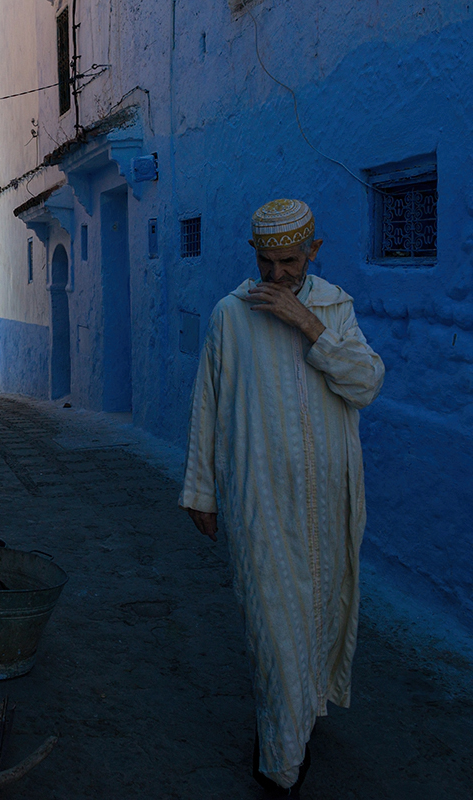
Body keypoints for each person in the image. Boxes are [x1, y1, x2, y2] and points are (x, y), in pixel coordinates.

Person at [179, 199, 385, 796]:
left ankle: (298, 721)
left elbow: (365, 384)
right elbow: (208, 406)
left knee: (321, 610)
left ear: (313, 252)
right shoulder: (230, 315)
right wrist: (202, 491)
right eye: (266, 263)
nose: (276, 276)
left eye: (289, 261)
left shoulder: (334, 307)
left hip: (329, 496)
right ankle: (280, 760)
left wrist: (309, 324)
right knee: (271, 622)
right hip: (259, 495)